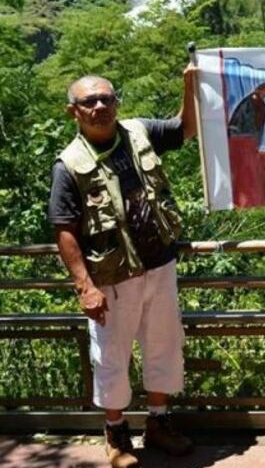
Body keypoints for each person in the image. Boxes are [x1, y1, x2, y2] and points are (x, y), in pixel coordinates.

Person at [48, 68, 198, 468]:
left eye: (106, 99)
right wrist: (85, 286)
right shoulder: (68, 165)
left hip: (160, 264)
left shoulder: (139, 132)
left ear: (117, 102)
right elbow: (64, 229)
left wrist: (190, 85)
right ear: (73, 111)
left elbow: (185, 130)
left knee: (164, 345)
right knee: (112, 355)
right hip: (112, 277)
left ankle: (159, 423)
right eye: (89, 102)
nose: (100, 107)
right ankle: (116, 434)